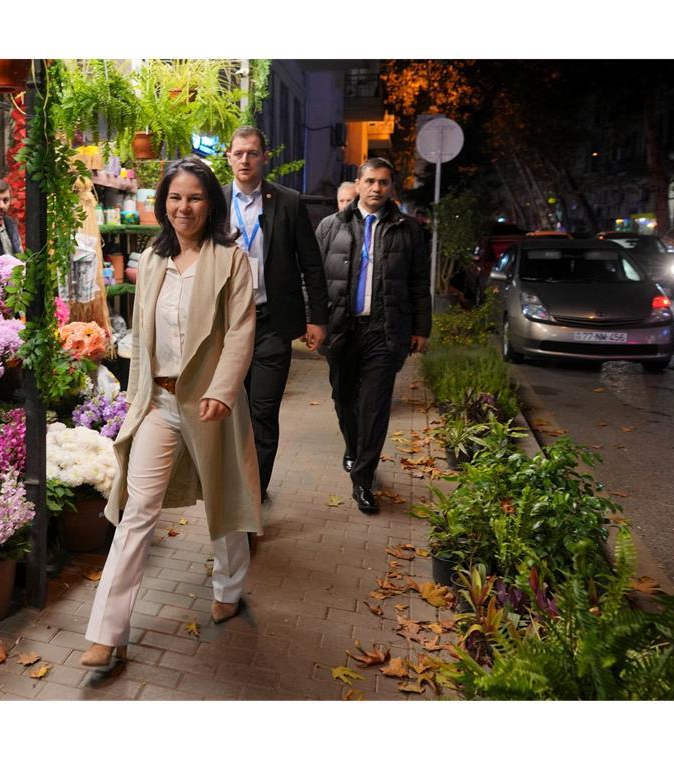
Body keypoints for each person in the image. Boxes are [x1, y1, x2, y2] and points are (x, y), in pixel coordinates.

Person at [81, 157, 261, 667]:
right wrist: (134, 397)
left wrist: (224, 389)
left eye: (195, 198)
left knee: (224, 504)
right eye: (176, 197)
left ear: (211, 203)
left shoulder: (231, 259)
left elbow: (242, 330)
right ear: (164, 203)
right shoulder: (153, 260)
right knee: (138, 511)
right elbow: (144, 335)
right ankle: (107, 631)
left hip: (212, 404)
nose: (184, 207)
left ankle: (229, 587)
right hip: (159, 402)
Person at [315, 157, 431, 515]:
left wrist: (421, 329)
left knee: (375, 407)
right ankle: (353, 447)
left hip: (385, 330)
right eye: (370, 181)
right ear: (359, 183)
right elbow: (314, 279)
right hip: (341, 330)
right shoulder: (331, 226)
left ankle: (363, 480)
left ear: (391, 187)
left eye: (384, 182)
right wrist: (313, 322)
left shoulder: (408, 230)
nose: (377, 188)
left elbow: (418, 283)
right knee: (343, 398)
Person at [224, 125, 329, 501]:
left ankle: (253, 494)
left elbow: (311, 265)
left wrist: (317, 319)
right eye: (239, 153)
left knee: (263, 413)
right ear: (229, 157)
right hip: (226, 328)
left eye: (252, 153)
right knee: (229, 412)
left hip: (271, 324)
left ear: (265, 157)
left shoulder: (288, 201)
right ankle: (231, 485)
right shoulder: (215, 202)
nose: (245, 160)